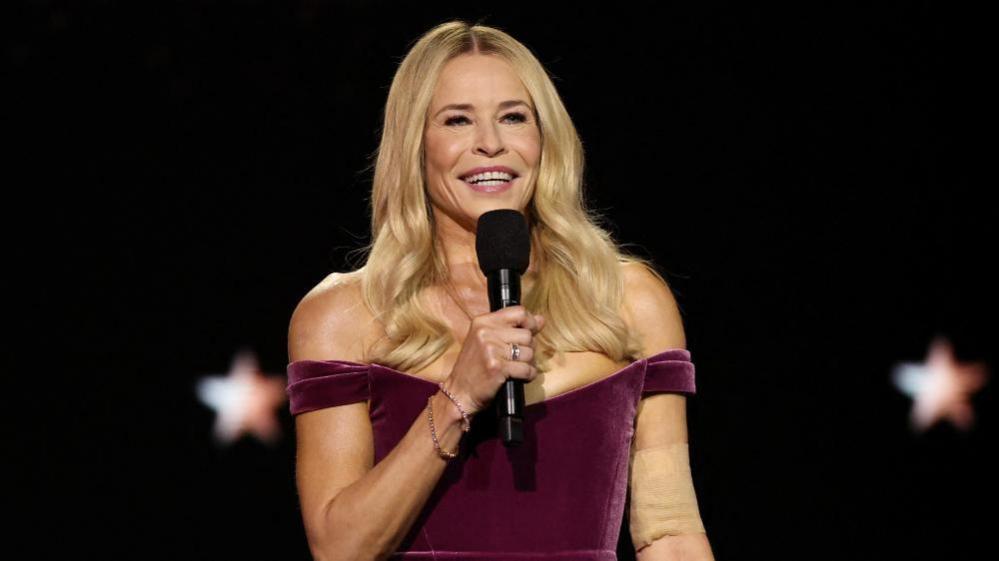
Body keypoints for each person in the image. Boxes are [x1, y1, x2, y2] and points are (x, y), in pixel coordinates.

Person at [286, 20, 715, 560]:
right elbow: (339, 549)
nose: (490, 144)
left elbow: (669, 532)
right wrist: (457, 398)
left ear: (544, 138)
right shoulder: (343, 315)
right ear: (415, 145)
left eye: (514, 117)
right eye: (457, 120)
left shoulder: (627, 299)